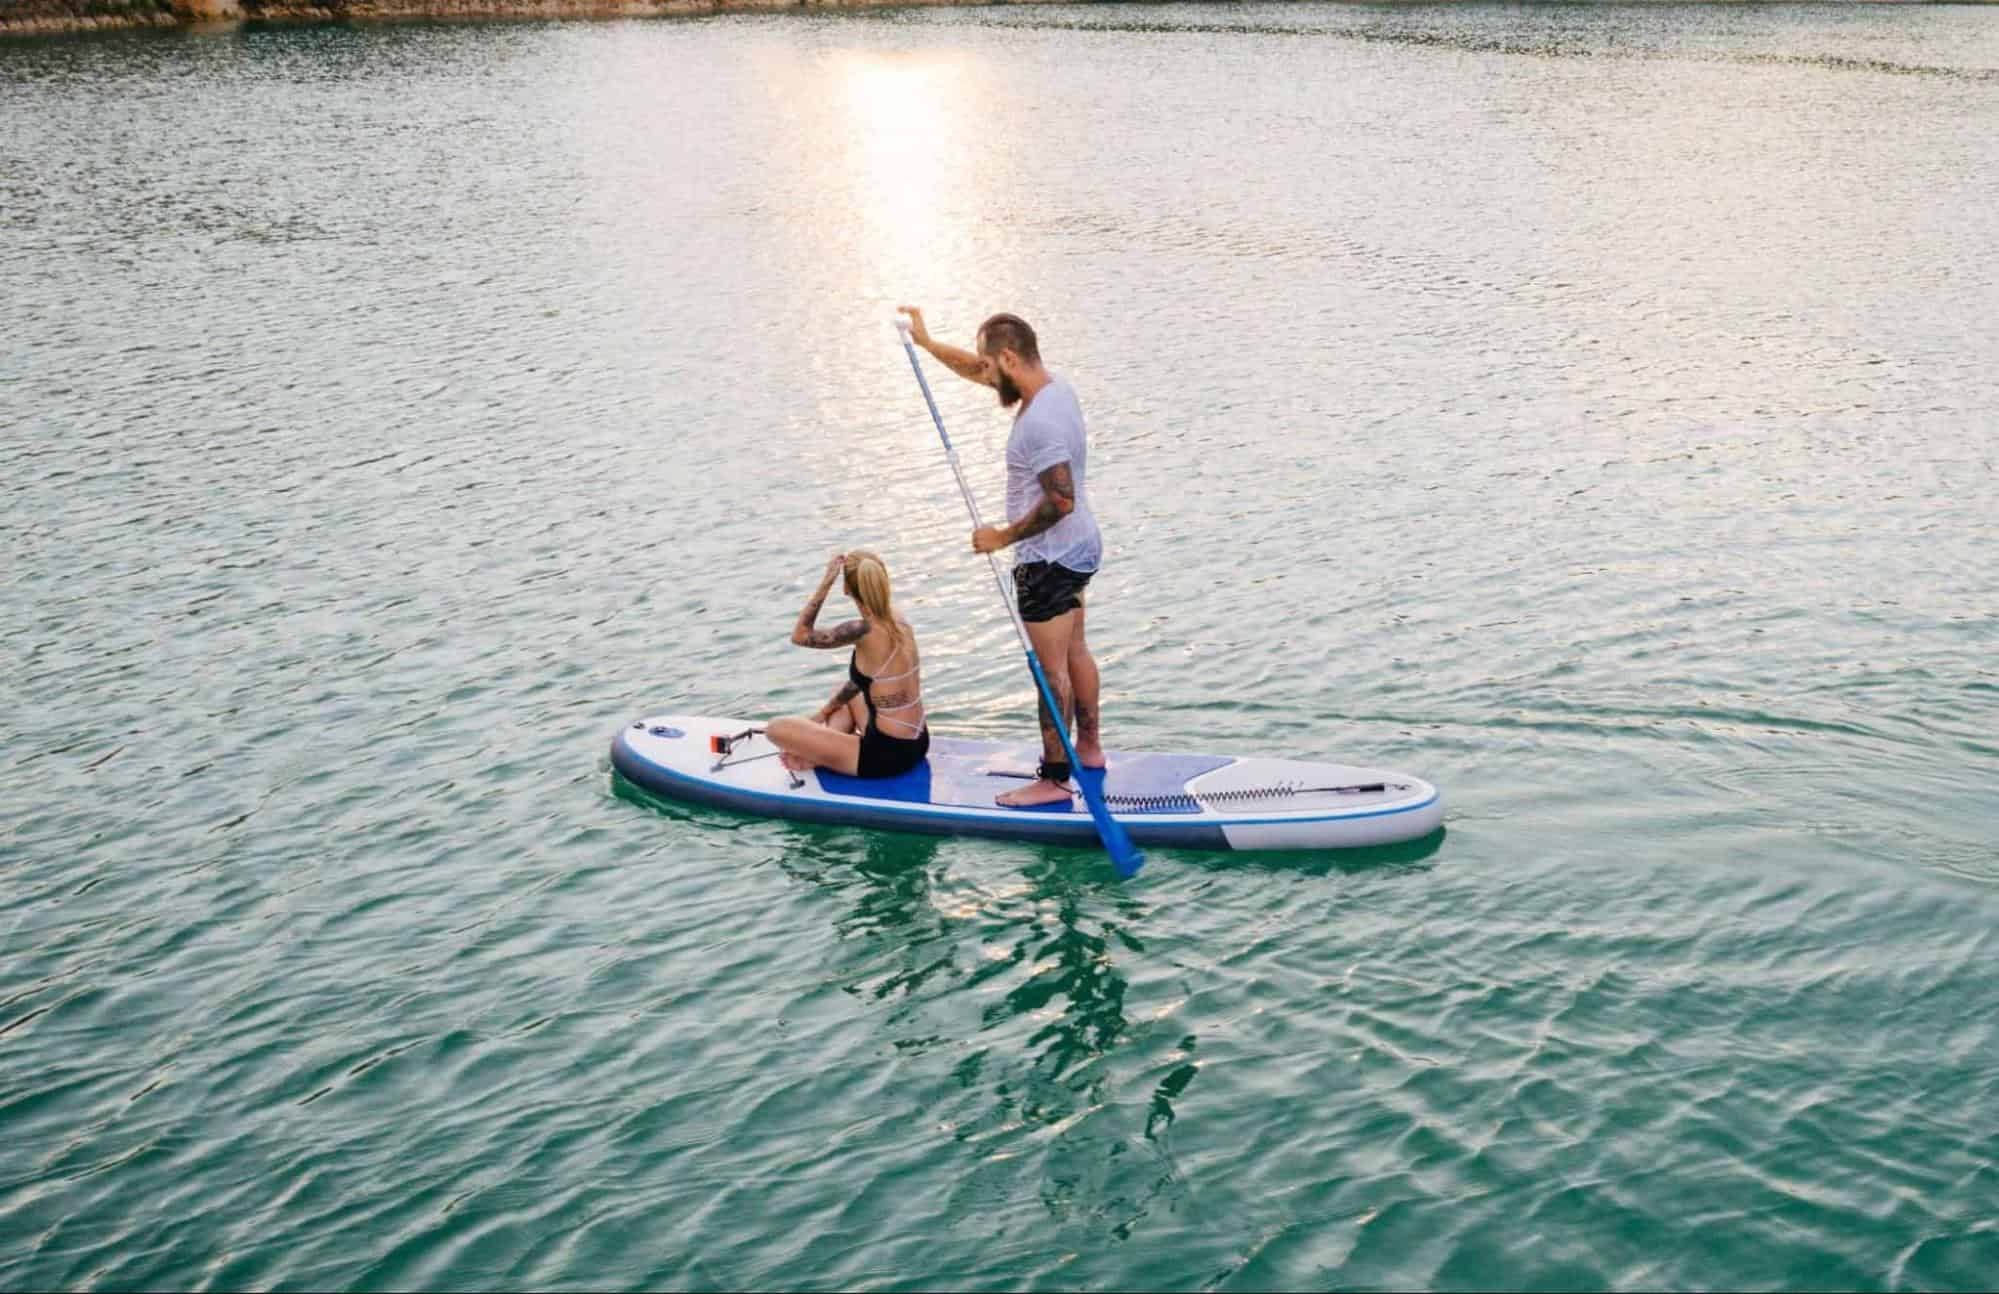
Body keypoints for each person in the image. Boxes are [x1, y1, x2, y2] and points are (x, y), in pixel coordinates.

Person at [896, 305, 1105, 808]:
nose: (984, 375)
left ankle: (1055, 778)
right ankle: (1090, 750)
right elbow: (978, 368)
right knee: (1075, 651)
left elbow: (1060, 499)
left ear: (1010, 358)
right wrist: (926, 344)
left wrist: (1003, 537)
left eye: (991, 368)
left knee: (1049, 671)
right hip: (1078, 549)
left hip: (1047, 559)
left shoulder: (1040, 425)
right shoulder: (1055, 387)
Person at [766, 550, 930, 779]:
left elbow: (800, 636)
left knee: (775, 729)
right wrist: (823, 713)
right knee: (842, 694)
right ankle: (822, 752)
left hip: (887, 757)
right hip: (918, 741)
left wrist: (826, 581)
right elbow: (863, 681)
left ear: (846, 589)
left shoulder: (863, 630)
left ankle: (819, 755)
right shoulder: (897, 618)